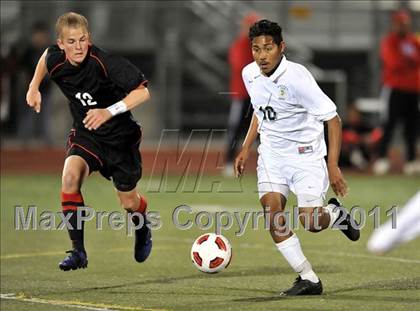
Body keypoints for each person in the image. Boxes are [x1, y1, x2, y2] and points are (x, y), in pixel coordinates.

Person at [234, 20, 360, 296]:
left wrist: (333, 166)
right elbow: (260, 108)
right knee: (272, 217)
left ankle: (335, 213)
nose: (261, 55)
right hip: (271, 157)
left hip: (306, 158)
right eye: (256, 49)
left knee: (311, 223)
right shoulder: (249, 73)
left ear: (281, 47)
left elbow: (333, 119)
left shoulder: (298, 78)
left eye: (268, 48)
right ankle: (308, 278)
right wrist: (246, 146)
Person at [25, 12, 152, 271]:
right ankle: (78, 252)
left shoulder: (105, 62)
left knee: (129, 202)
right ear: (60, 44)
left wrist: (108, 111)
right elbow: (44, 60)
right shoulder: (55, 58)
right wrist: (33, 87)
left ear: (89, 39)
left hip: (120, 139)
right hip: (87, 134)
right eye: (71, 42)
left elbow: (143, 91)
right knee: (70, 177)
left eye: (82, 40)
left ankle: (142, 227)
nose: (78, 46)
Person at [373, 9, 420, 176]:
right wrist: (411, 61)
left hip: (413, 90)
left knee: (412, 128)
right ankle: (382, 158)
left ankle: (411, 161)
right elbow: (394, 63)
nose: (403, 26)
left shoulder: (413, 41)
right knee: (389, 125)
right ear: (395, 24)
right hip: (394, 89)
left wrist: (409, 61)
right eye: (400, 23)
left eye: (405, 23)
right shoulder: (389, 41)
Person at [224, 13, 260, 176]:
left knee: (265, 130)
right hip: (242, 95)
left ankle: (269, 164)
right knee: (235, 130)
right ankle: (229, 162)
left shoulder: (260, 46)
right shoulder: (240, 45)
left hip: (259, 96)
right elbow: (241, 67)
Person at [18, 21, 53, 146]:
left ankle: (46, 141)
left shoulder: (50, 51)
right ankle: (24, 140)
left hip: (46, 90)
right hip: (31, 90)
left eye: (42, 35)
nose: (40, 38)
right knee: (27, 116)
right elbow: (21, 70)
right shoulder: (28, 52)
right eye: (37, 35)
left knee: (45, 117)